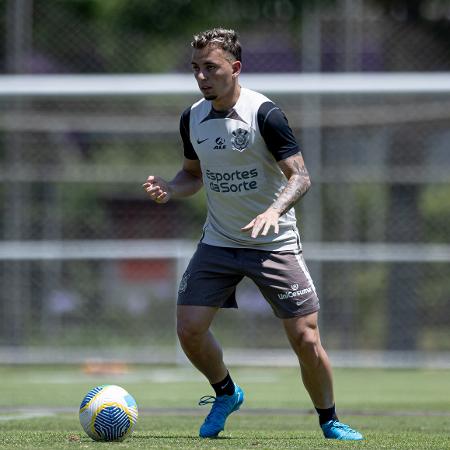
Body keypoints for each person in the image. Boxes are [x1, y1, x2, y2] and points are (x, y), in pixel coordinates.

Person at [143, 28, 363, 441]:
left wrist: (274, 210)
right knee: (189, 328)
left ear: (235, 68)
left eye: (211, 67)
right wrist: (172, 189)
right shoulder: (192, 118)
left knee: (305, 336)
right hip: (220, 240)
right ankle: (226, 393)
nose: (202, 77)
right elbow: (192, 176)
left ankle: (330, 419)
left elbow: (300, 177)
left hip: (273, 242)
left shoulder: (265, 114)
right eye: (196, 69)